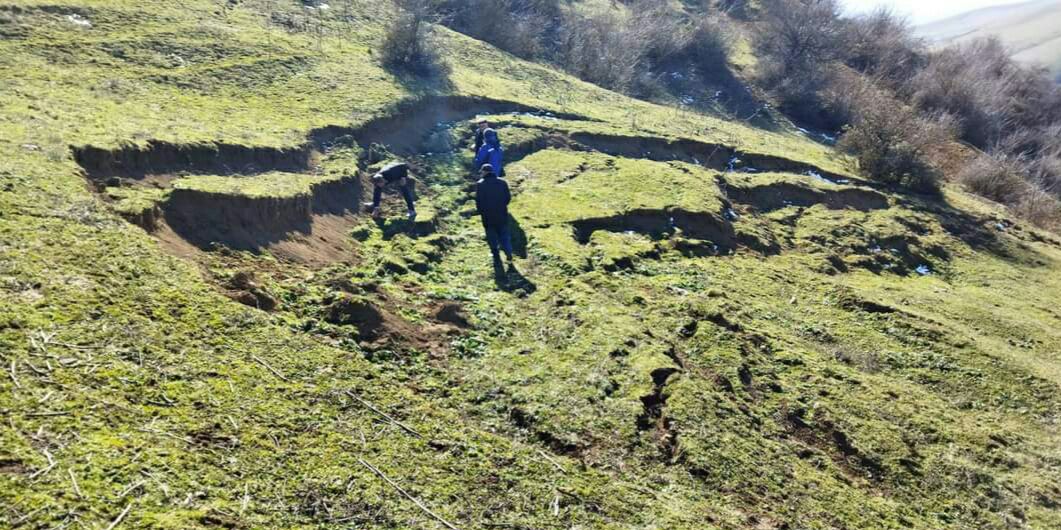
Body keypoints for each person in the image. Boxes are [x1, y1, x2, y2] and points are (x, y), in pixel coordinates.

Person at [475, 163, 513, 266]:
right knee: (504, 235)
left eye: (482, 172)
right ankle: (508, 252)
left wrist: (481, 212)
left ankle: (496, 256)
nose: (481, 174)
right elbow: (508, 198)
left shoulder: (480, 184)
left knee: (491, 236)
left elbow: (478, 201)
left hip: (488, 216)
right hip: (502, 214)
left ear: (484, 172)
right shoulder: (503, 182)